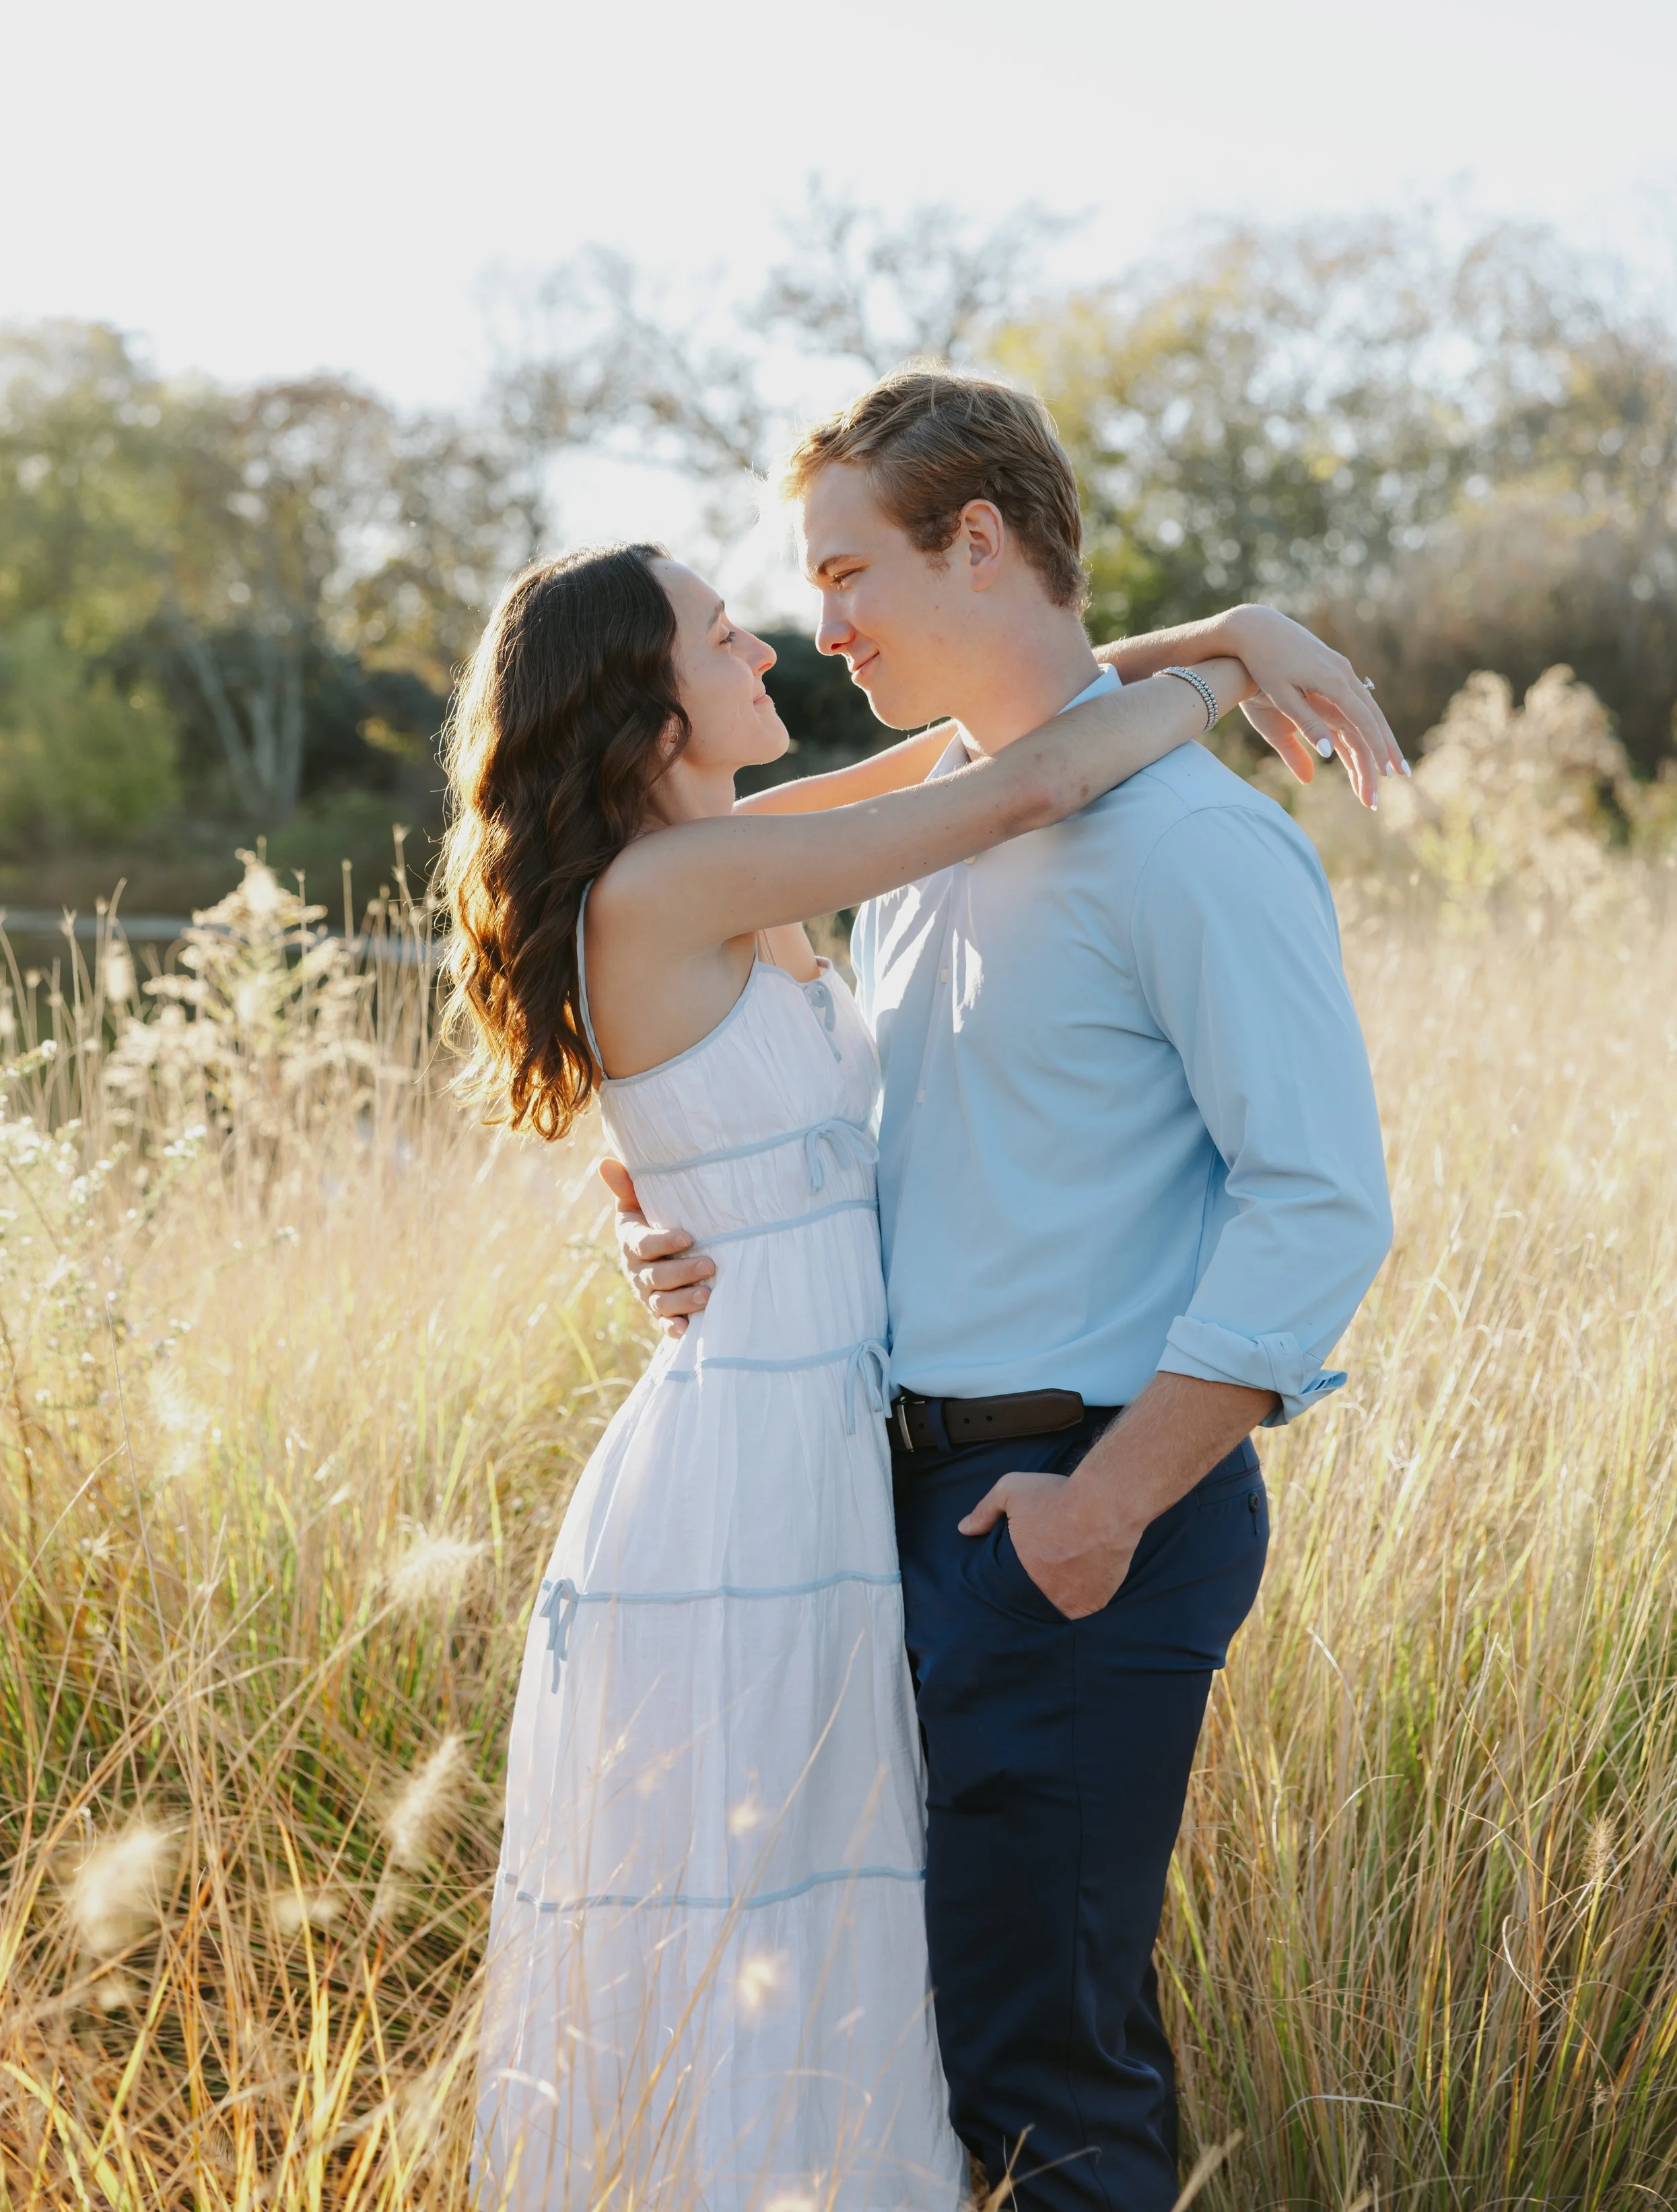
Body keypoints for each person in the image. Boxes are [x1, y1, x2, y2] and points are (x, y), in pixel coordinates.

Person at [448, 490, 1393, 2208]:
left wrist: (1212, 639)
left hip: (832, 1442)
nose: (774, 645)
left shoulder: (737, 847)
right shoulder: (687, 876)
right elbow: (1024, 784)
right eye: (725, 631)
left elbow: (987, 739)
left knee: (845, 1925)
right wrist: (1238, 655)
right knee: (761, 1914)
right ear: (649, 712)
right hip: (752, 1467)